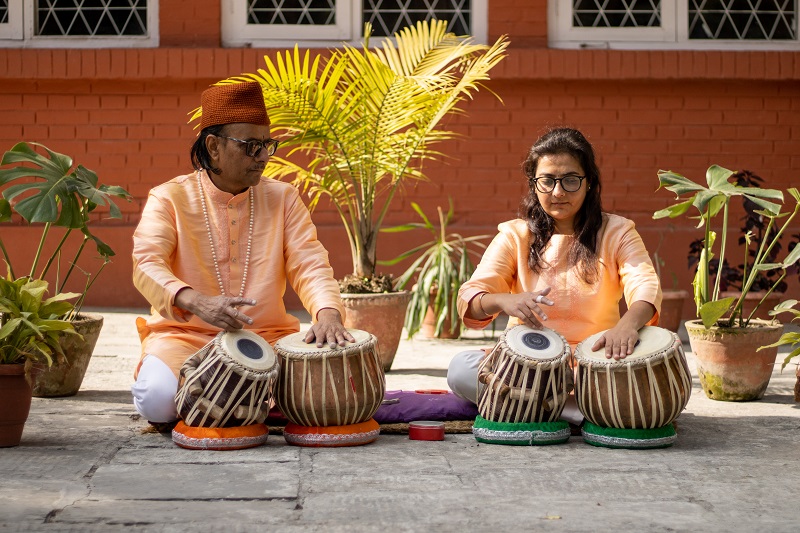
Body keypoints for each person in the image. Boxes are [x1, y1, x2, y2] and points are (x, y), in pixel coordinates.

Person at [131, 81, 354, 424]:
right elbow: (146, 263)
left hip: (268, 339)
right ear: (214, 146)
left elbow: (309, 262)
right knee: (158, 401)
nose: (264, 157)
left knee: (325, 395)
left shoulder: (283, 198)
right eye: (251, 146)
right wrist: (195, 300)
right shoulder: (169, 198)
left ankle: (237, 404)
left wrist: (327, 313)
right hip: (187, 337)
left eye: (267, 145)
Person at [447, 128, 661, 423]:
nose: (558, 192)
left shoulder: (618, 231)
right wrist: (503, 301)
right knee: (461, 369)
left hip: (594, 364)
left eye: (570, 180)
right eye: (547, 181)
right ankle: (577, 411)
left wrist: (627, 326)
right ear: (534, 185)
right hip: (525, 366)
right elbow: (469, 299)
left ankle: (533, 407)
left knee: (646, 377)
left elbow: (645, 284)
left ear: (590, 184)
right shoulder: (515, 234)